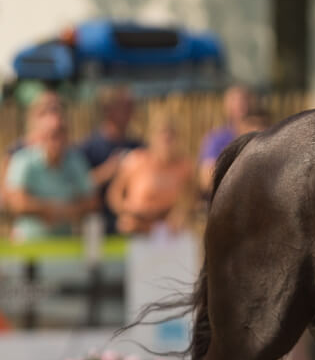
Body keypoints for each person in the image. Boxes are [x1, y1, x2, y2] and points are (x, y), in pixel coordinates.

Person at [2, 91, 95, 242]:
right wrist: (54, 210)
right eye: (52, 135)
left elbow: (91, 201)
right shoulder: (22, 159)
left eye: (61, 133)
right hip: (28, 242)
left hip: (65, 243)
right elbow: (15, 202)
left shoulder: (76, 160)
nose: (57, 141)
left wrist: (59, 211)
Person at [106, 112, 195, 237]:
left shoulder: (185, 166)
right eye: (162, 134)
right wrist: (125, 212)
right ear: (152, 136)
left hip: (169, 228)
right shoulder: (136, 160)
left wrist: (180, 213)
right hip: (137, 224)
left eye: (171, 136)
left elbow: (191, 196)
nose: (166, 140)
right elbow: (114, 194)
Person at [78, 85, 144, 236]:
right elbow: (76, 187)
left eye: (131, 106)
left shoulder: (139, 148)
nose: (130, 111)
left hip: (132, 226)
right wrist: (107, 172)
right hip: (98, 227)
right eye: (124, 107)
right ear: (108, 109)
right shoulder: (88, 149)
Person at [197, 85, 255, 194]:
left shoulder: (261, 135)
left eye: (244, 100)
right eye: (235, 101)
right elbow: (207, 180)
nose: (241, 105)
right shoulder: (216, 139)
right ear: (226, 106)